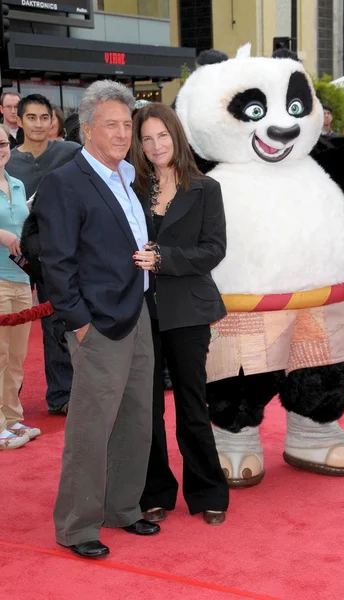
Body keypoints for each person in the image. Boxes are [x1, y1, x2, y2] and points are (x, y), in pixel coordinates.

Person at [35, 80, 159, 559]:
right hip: (97, 323)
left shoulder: (130, 175)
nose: (122, 133)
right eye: (111, 125)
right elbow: (56, 261)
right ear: (86, 130)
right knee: (91, 426)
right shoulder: (66, 182)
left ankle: (122, 509)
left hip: (139, 311)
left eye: (127, 124)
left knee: (135, 418)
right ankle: (77, 526)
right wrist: (79, 322)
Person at [131, 103, 229, 526]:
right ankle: (154, 492)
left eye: (162, 136)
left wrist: (163, 258)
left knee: (191, 403)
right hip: (139, 312)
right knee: (146, 408)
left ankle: (208, 491)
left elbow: (214, 250)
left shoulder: (205, 188)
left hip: (188, 310)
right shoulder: (131, 187)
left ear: (177, 135)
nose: (155, 145)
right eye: (147, 138)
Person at [7, 94, 80, 416]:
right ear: (18, 121)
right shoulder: (6, 158)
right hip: (8, 260)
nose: (38, 124)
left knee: (56, 325)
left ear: (53, 121)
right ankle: (8, 401)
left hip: (52, 254)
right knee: (8, 333)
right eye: (31, 117)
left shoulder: (69, 153)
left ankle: (62, 394)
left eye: (44, 117)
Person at [0, 123, 40, 449]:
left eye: (2, 143)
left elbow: (21, 227)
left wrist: (29, 208)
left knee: (16, 358)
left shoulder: (16, 183)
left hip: (22, 280)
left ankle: (13, 420)